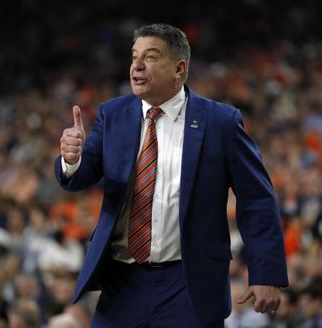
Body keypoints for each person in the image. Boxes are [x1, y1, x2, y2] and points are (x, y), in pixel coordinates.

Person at [55, 23, 288, 327]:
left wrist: (266, 273)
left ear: (179, 69)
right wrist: (71, 158)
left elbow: (256, 198)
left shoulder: (221, 122)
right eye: (134, 56)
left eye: (150, 57)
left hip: (189, 283)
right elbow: (79, 176)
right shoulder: (112, 115)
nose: (136, 65)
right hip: (122, 281)